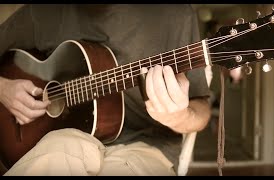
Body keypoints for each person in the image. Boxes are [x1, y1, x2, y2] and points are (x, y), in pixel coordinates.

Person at [0, 4, 211, 176]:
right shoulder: (41, 12)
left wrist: (180, 116)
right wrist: (3, 88)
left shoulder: (174, 14)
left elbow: (201, 111)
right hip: (62, 137)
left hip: (146, 146)